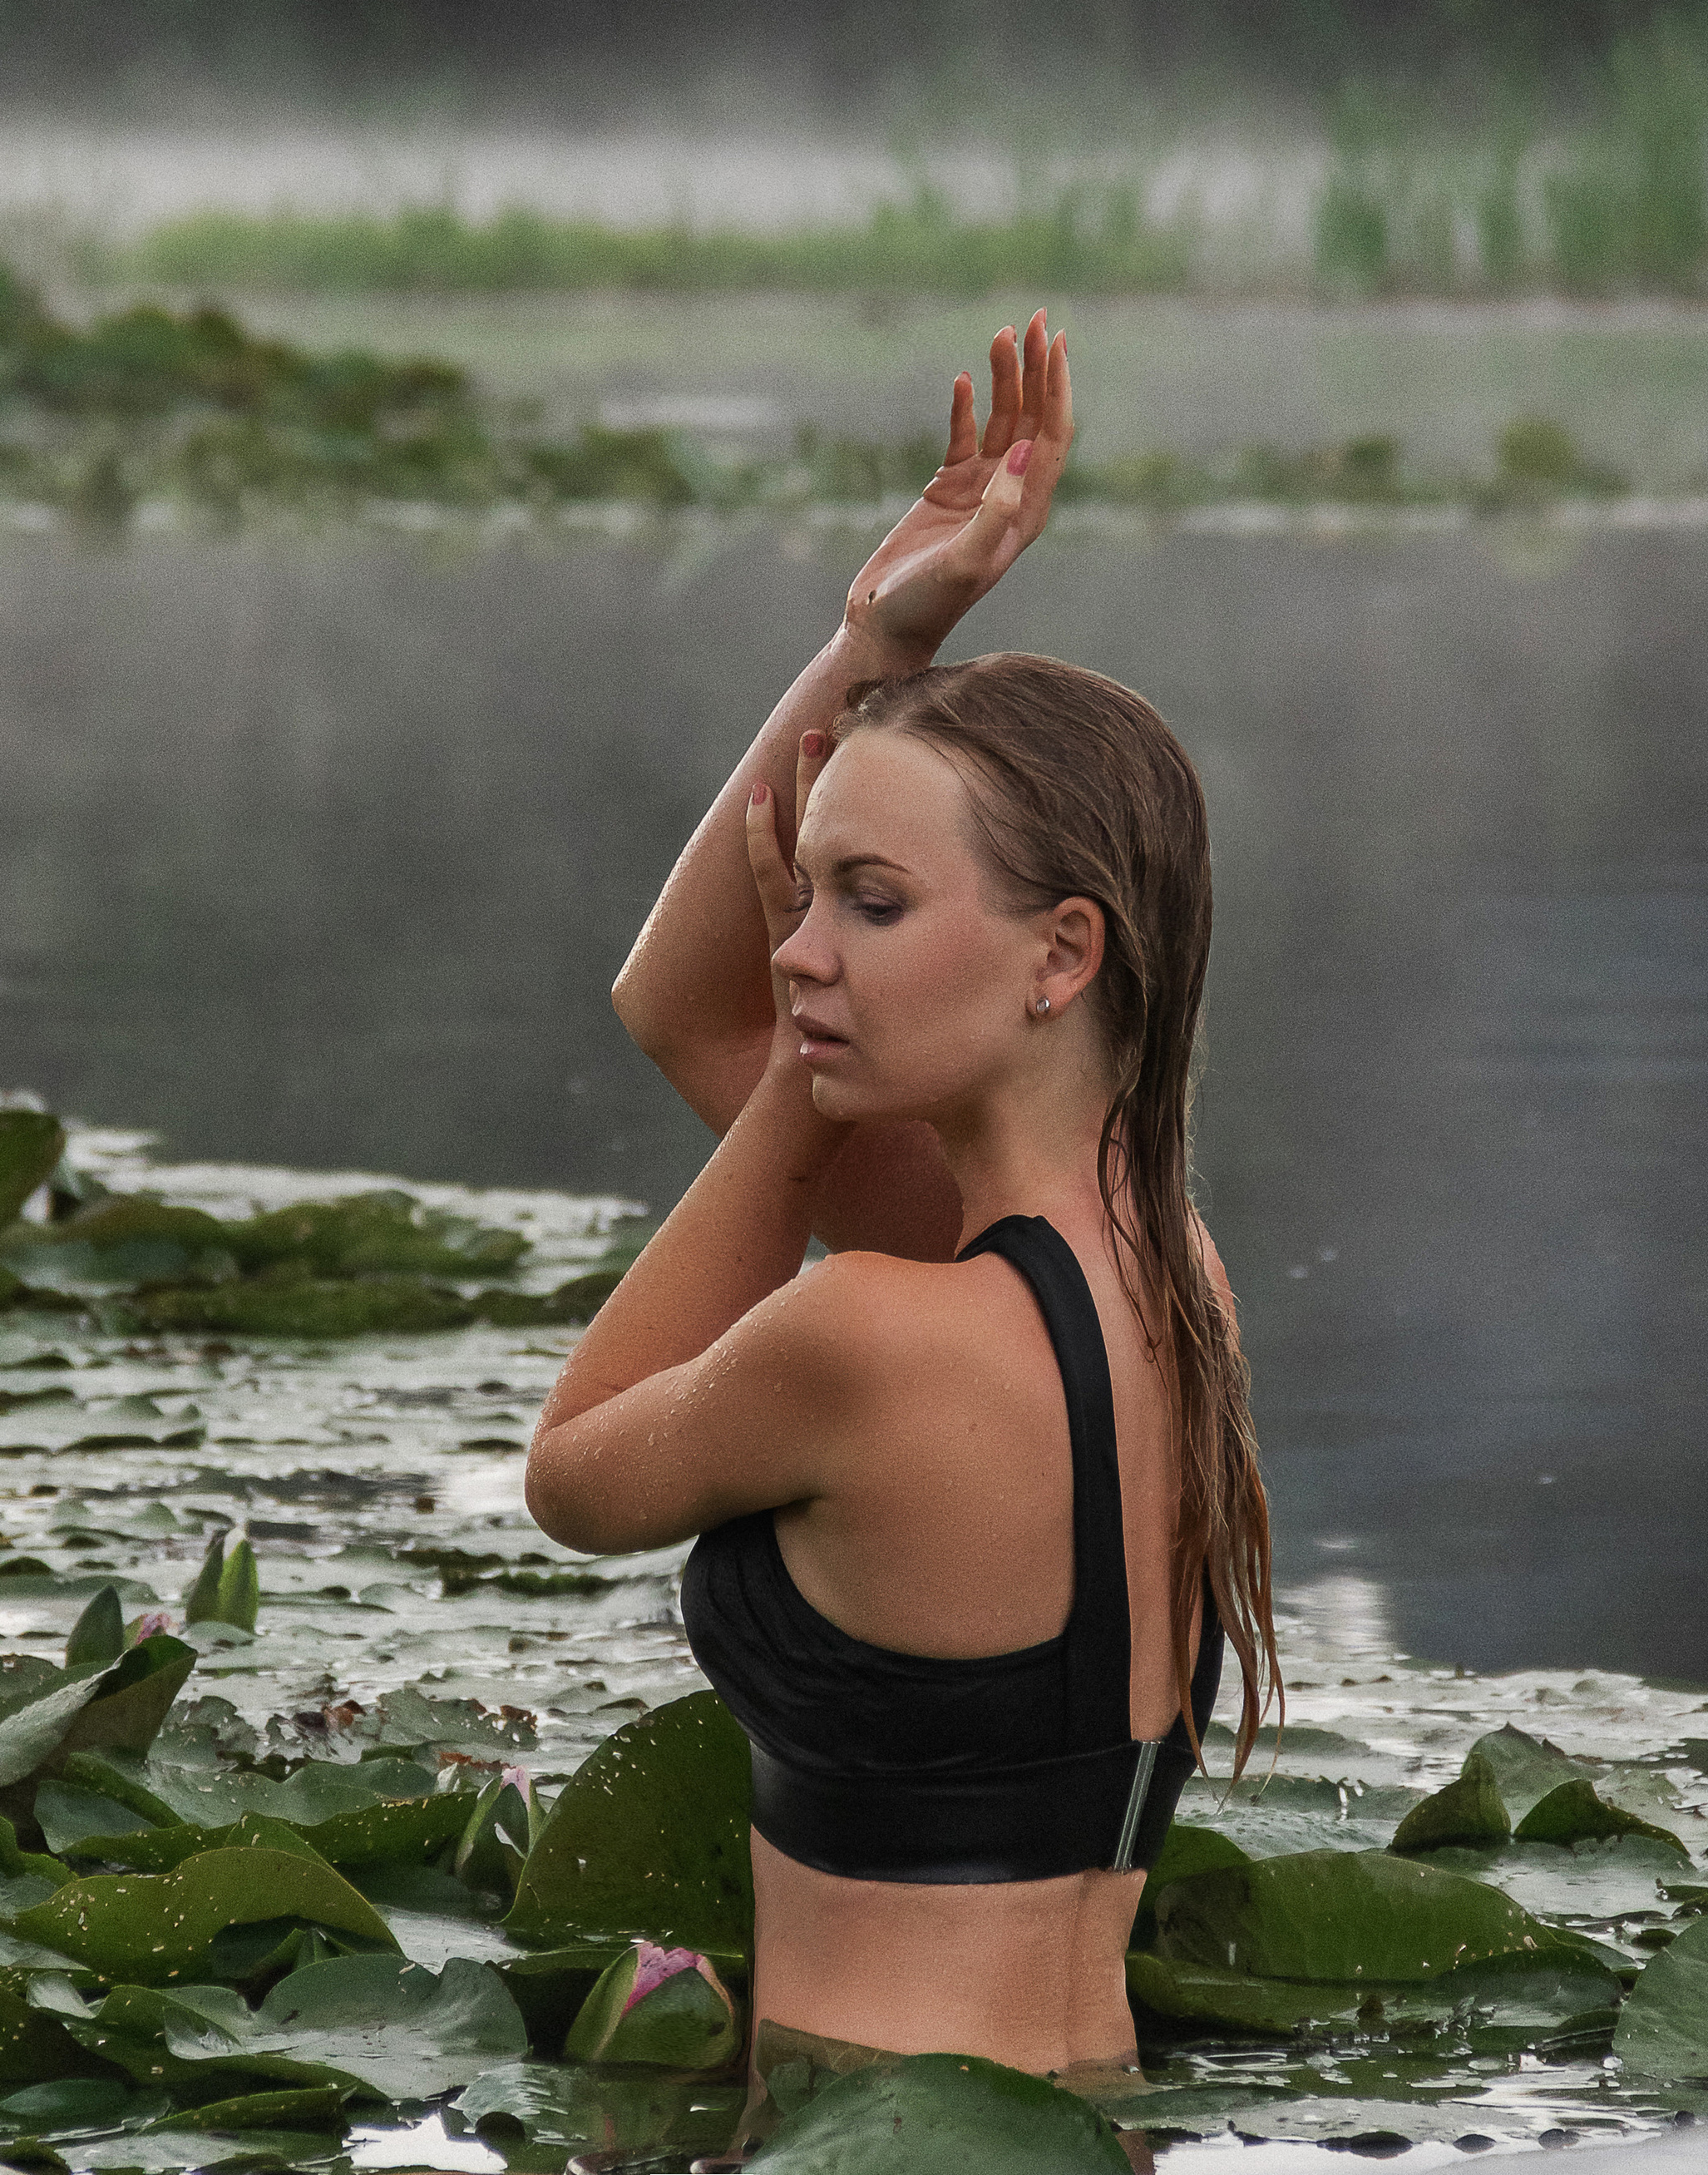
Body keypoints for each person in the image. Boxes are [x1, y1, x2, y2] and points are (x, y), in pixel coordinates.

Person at [525, 313, 1279, 2102]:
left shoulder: (870, 1334)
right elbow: (682, 1010)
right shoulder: (1171, 1280)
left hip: (873, 2124)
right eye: (803, 897)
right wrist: (880, 645)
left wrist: (800, 1079)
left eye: (867, 902)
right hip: (1087, 2119)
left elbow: (570, 1477)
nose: (797, 949)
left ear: (1059, 955)